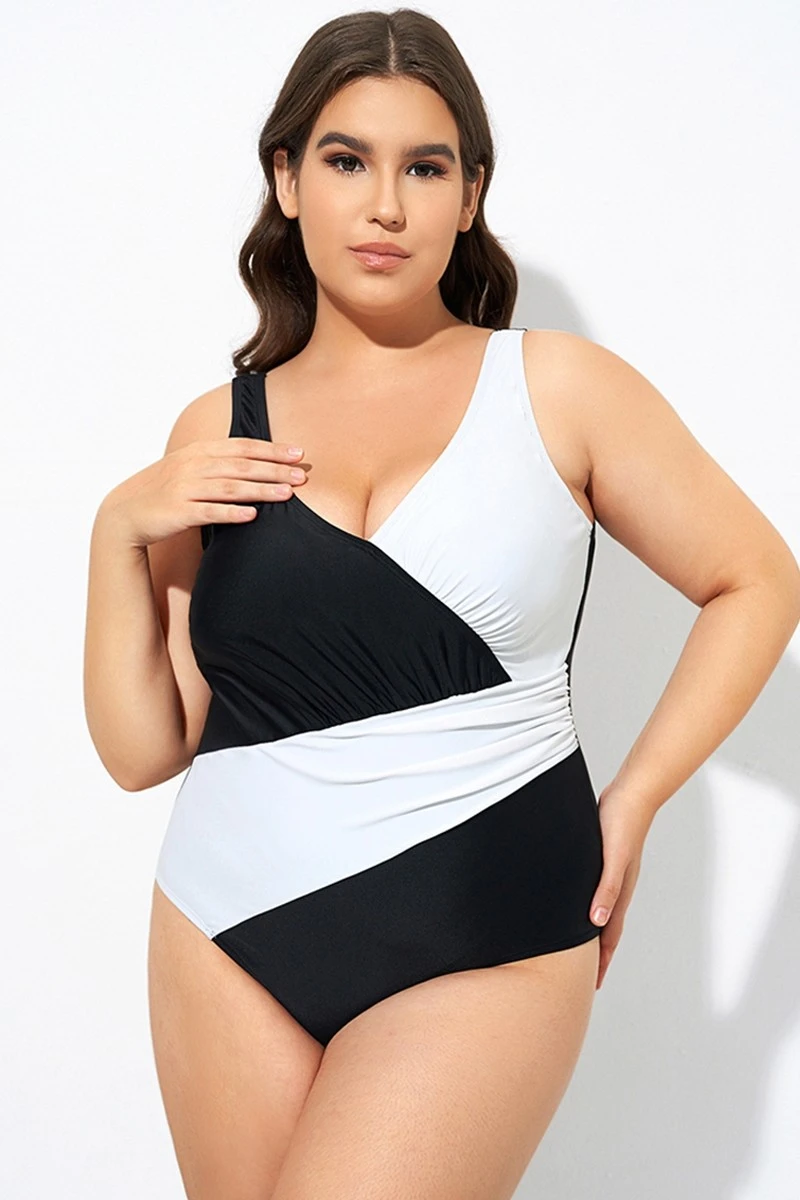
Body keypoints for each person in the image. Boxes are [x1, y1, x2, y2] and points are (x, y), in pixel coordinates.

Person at [83, 8, 800, 1198]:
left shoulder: (559, 389)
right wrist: (116, 531)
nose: (384, 205)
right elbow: (147, 747)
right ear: (286, 180)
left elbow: (755, 580)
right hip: (222, 921)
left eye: (423, 168)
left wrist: (631, 802)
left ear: (469, 195)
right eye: (345, 161)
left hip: (487, 917)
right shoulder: (217, 429)